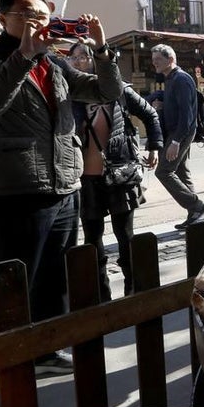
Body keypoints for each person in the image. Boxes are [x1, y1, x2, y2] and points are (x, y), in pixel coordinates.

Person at [0, 0, 122, 407]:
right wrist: (24, 56)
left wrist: (103, 49)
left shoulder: (57, 64)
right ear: (4, 18)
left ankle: (44, 351)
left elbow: (108, 92)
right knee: (9, 286)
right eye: (27, 12)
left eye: (44, 14)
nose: (38, 20)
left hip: (63, 184)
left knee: (52, 280)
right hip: (17, 189)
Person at [69, 39, 163, 301]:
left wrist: (154, 147)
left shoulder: (120, 90)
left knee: (126, 235)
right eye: (73, 58)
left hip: (120, 173)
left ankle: (133, 291)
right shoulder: (70, 94)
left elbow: (150, 115)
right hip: (85, 177)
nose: (78, 62)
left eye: (84, 57)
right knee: (92, 238)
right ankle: (101, 295)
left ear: (98, 60)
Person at [151, 44, 204, 230]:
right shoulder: (171, 79)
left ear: (170, 60)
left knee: (164, 172)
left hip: (181, 133)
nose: (154, 64)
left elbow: (187, 115)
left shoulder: (181, 79)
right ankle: (195, 214)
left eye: (158, 60)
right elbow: (174, 103)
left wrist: (176, 141)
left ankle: (196, 206)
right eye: (153, 61)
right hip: (177, 132)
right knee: (182, 173)